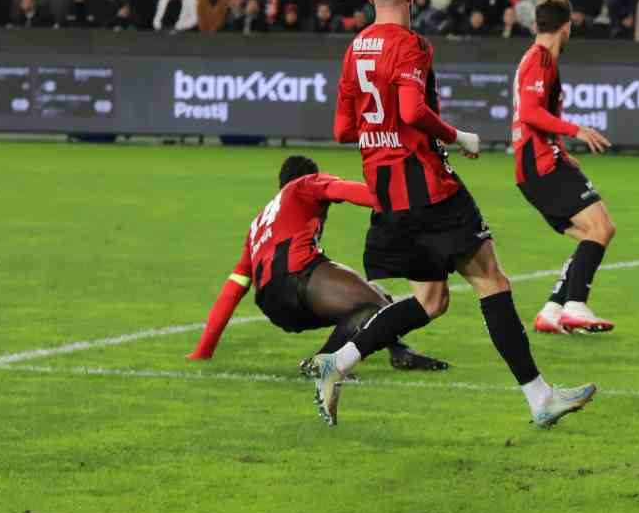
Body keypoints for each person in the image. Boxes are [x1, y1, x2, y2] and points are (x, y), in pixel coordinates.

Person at [327, 0, 596, 427]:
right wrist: (458, 136)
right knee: (492, 281)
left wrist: (382, 132)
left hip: (387, 192)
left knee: (432, 300)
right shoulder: (411, 45)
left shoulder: (355, 49)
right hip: (428, 187)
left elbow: (343, 129)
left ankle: (340, 361)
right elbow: (412, 111)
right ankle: (540, 398)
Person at [186, 155, 447, 375]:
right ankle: (323, 363)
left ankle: (400, 352)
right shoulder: (304, 184)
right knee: (374, 307)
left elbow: (233, 289)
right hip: (299, 276)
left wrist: (203, 351)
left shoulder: (258, 226)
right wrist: (397, 201)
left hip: (274, 304)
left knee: (380, 296)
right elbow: (341, 189)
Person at [511, 0, 620, 336]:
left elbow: (534, 116)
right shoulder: (540, 59)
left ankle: (552, 310)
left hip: (537, 164)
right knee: (601, 228)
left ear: (535, 25)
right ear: (566, 27)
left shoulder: (538, 59)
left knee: (592, 234)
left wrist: (560, 145)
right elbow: (529, 112)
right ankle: (575, 305)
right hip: (541, 165)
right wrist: (576, 130)